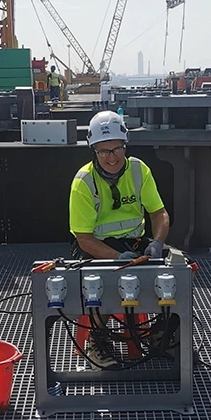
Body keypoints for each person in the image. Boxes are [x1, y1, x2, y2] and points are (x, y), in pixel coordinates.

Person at [69, 110, 171, 367]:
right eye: (103, 151)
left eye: (116, 149)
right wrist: (117, 258)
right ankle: (96, 340)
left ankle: (163, 334)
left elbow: (159, 214)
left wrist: (157, 243)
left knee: (176, 273)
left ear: (125, 145)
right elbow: (83, 238)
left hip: (134, 241)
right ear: (93, 150)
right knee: (104, 280)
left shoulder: (139, 170)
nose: (111, 158)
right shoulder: (83, 182)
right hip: (96, 246)